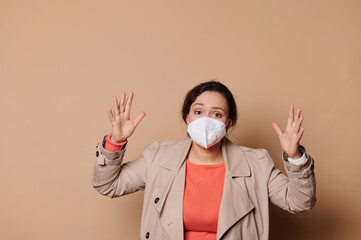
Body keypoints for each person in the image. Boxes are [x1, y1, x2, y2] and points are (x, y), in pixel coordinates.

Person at [92, 81, 316, 240]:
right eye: (198, 112)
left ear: (228, 124)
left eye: (217, 114)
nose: (206, 120)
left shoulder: (255, 163)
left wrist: (295, 156)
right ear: (187, 117)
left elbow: (299, 202)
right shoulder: (159, 157)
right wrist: (115, 141)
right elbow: (108, 184)